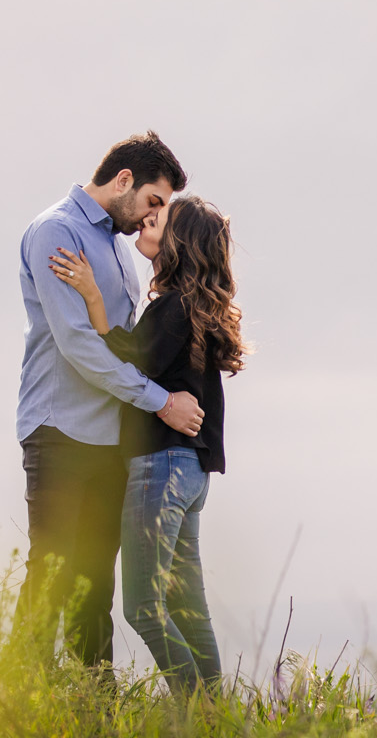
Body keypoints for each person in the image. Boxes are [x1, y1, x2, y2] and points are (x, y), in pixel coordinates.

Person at [16, 133, 204, 665]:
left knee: (95, 584)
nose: (154, 217)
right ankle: (14, 695)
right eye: (153, 201)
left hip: (109, 440)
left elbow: (124, 341)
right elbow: (79, 346)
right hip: (61, 430)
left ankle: (93, 709)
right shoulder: (58, 230)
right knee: (50, 573)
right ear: (125, 180)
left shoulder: (117, 248)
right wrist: (161, 401)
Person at [48, 196, 243, 690]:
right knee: (188, 607)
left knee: (142, 608)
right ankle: (215, 722)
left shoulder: (174, 306)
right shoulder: (191, 307)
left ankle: (193, 706)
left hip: (162, 469)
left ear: (179, 241)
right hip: (190, 474)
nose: (149, 217)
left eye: (162, 217)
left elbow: (132, 360)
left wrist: (93, 297)